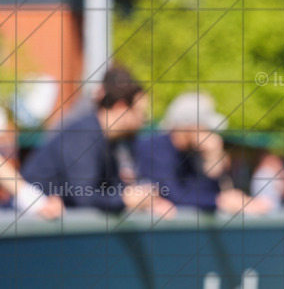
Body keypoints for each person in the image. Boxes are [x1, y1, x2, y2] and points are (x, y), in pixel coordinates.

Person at [22, 66, 174, 216]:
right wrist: (126, 200)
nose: (143, 121)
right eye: (140, 113)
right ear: (121, 107)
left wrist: (149, 202)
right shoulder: (83, 135)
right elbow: (84, 197)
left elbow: (112, 190)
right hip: (26, 221)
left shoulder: (109, 141)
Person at [134, 91, 248, 213]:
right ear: (189, 126)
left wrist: (212, 158)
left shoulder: (191, 152)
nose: (208, 132)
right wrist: (220, 201)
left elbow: (205, 192)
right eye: (204, 126)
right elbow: (172, 195)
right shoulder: (154, 148)